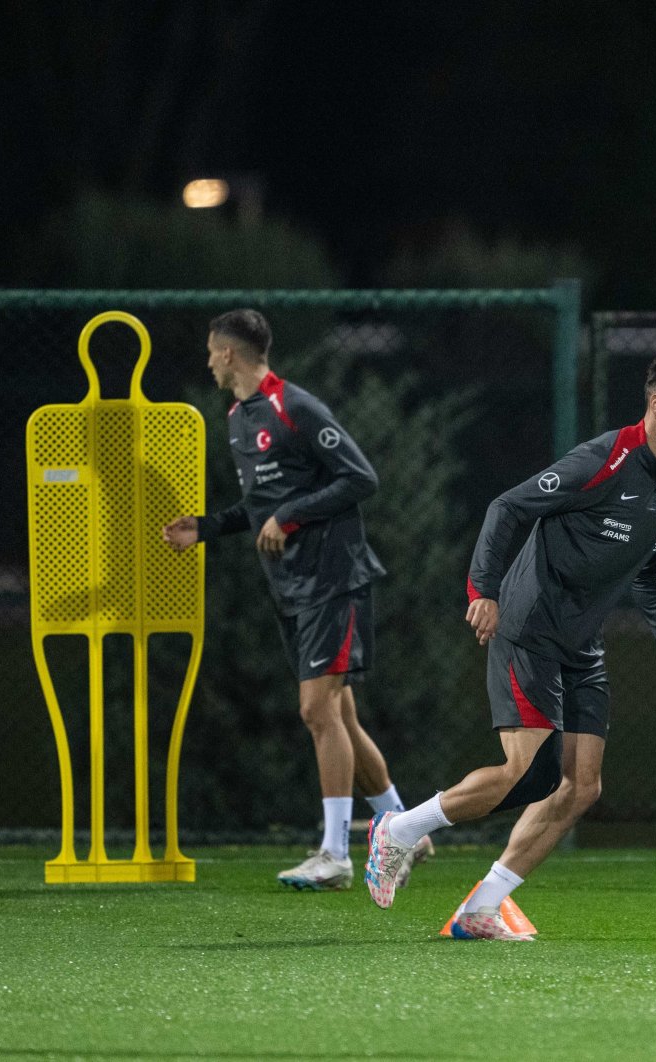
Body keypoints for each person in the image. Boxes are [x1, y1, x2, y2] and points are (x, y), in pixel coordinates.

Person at [363, 353, 656, 939]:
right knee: (522, 772)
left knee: (582, 787)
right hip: (529, 630)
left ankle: (480, 909)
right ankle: (398, 831)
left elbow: (647, 569)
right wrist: (484, 589)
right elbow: (505, 507)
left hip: (583, 646)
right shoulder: (604, 459)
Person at [163, 309, 429, 889]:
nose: (207, 361)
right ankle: (407, 828)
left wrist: (291, 514)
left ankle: (334, 854)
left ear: (229, 353)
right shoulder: (238, 417)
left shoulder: (295, 407)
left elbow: (360, 477)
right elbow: (262, 508)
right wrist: (205, 528)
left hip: (334, 579)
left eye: (212, 351)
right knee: (341, 717)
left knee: (316, 711)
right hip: (294, 587)